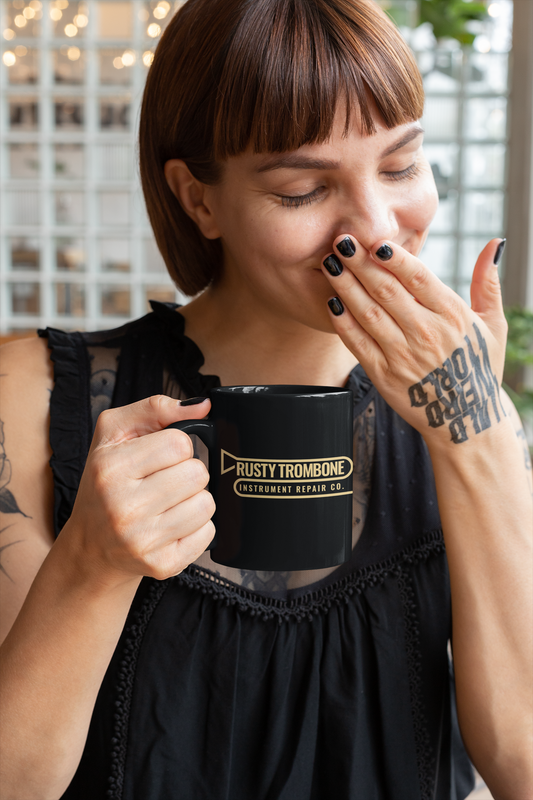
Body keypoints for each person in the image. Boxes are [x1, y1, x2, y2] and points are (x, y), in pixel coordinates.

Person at [0, 0, 531, 797]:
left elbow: (522, 766)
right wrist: (91, 564)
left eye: (399, 166)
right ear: (198, 199)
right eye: (301, 190)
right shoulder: (30, 396)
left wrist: (474, 430)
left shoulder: (469, 410)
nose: (376, 227)